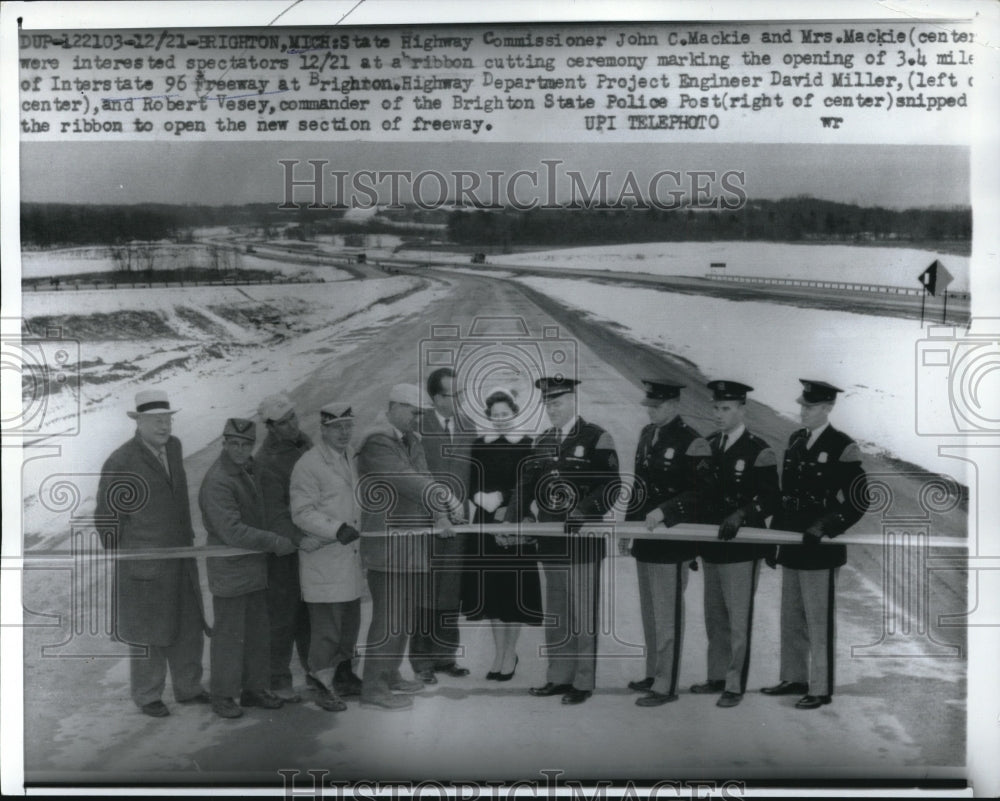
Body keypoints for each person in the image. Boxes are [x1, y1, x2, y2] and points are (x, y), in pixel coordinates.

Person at [96, 389, 210, 718]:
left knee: (188, 624)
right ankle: (148, 695)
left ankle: (189, 688)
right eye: (156, 420)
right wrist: (131, 555)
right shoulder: (121, 461)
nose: (164, 425)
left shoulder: (173, 448)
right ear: (139, 422)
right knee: (150, 630)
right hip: (145, 564)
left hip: (181, 556)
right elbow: (106, 519)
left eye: (168, 419)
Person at [508, 377, 620, 705]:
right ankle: (558, 676)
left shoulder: (598, 437)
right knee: (557, 613)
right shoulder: (541, 441)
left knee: (582, 615)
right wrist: (515, 518)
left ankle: (582, 682)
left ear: (573, 401)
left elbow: (611, 486)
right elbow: (525, 485)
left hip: (583, 542)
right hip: (551, 543)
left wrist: (584, 510)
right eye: (546, 403)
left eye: (556, 403)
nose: (550, 409)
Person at [762, 380, 870, 710]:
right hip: (793, 544)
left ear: (827, 408)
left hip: (820, 549)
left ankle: (820, 688)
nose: (802, 411)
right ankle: (794, 678)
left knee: (818, 622)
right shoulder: (796, 441)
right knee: (792, 617)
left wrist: (825, 525)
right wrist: (773, 540)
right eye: (802, 405)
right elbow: (786, 497)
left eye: (809, 407)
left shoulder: (842, 446)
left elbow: (858, 499)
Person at [356, 384, 465, 710]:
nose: (418, 419)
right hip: (388, 549)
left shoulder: (411, 440)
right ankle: (373, 687)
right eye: (413, 412)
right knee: (388, 620)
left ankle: (389, 674)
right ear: (393, 407)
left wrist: (441, 515)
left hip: (412, 545)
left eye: (421, 413)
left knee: (402, 619)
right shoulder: (377, 442)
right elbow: (407, 479)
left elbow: (425, 474)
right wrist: (445, 496)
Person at [200, 418, 298, 719]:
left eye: (246, 444)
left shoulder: (250, 470)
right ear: (224, 444)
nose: (241, 450)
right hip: (231, 570)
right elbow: (232, 531)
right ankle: (223, 694)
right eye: (235, 444)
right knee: (229, 635)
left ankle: (254, 690)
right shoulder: (218, 480)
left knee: (257, 632)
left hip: (254, 567)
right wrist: (275, 542)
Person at [623, 380, 711, 708]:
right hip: (646, 541)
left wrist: (666, 511)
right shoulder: (648, 435)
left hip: (672, 542)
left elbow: (701, 492)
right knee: (650, 613)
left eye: (656, 406)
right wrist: (626, 531)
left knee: (667, 615)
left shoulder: (692, 442)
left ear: (674, 405)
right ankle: (653, 672)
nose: (650, 410)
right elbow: (639, 487)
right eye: (649, 405)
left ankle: (666, 683)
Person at [693, 380, 780, 708]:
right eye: (716, 408)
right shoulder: (709, 444)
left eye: (726, 408)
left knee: (737, 619)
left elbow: (771, 498)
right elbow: (700, 494)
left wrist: (742, 514)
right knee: (714, 617)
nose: (718, 414)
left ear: (743, 409)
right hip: (713, 547)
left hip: (742, 549)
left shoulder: (759, 450)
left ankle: (734, 684)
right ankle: (715, 676)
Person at [289, 402, 365, 712]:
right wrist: (336, 529)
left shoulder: (349, 457)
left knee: (349, 624)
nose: (344, 432)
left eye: (348, 425)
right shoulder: (308, 464)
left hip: (349, 558)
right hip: (325, 559)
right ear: (323, 430)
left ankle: (344, 677)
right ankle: (321, 684)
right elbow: (301, 512)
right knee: (326, 631)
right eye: (337, 427)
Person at [464, 389, 543, 680]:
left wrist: (504, 502)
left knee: (513, 592)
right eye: (495, 416)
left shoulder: (526, 445)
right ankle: (498, 653)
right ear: (489, 417)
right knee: (494, 593)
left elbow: (530, 483)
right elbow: (471, 483)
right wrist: (483, 499)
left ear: (514, 414)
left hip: (515, 523)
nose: (500, 420)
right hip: (486, 525)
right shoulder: (479, 446)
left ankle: (510, 653)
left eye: (505, 415)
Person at [412, 367, 476, 683]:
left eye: (460, 392)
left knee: (450, 590)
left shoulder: (468, 425)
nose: (460, 399)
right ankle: (422, 661)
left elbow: (474, 473)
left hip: (459, 526)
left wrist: (473, 505)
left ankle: (446, 656)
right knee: (424, 592)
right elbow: (414, 477)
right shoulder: (418, 427)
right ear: (436, 398)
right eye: (453, 393)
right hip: (426, 523)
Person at [255, 392, 313, 702]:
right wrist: (299, 540)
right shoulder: (265, 463)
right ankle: (277, 680)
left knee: (310, 613)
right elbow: (275, 515)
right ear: (270, 427)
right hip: (285, 552)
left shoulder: (304, 442)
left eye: (293, 417)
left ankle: (315, 673)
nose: (291, 425)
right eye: (283, 422)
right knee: (282, 615)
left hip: (312, 544)